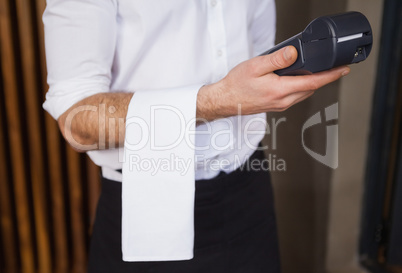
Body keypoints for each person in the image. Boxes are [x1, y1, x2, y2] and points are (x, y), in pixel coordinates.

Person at [42, 0, 350, 272]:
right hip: (149, 199)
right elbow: (77, 120)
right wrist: (220, 99)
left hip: (250, 186)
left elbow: (258, 47)